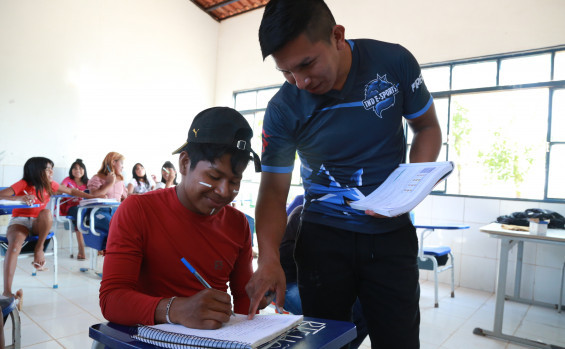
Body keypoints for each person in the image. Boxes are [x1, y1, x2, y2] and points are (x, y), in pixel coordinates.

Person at [246, 1, 442, 347]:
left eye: (307, 64)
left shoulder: (393, 63)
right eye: (287, 72)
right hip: (323, 241)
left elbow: (426, 128)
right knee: (327, 341)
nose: (301, 82)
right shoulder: (283, 109)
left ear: (337, 36)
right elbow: (273, 194)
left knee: (399, 340)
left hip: (390, 234)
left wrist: (411, 184)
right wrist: (270, 257)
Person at [99, 107, 265, 329]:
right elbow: (112, 300)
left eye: (235, 182)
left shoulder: (238, 224)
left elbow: (245, 300)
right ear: (185, 163)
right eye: (214, 176)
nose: (224, 191)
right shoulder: (137, 210)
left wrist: (259, 300)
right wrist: (176, 310)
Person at [0, 157, 100, 307]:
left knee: (46, 213)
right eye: (48, 169)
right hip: (20, 221)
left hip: (39, 223)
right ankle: (7, 292)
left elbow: (72, 191)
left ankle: (39, 249)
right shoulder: (23, 184)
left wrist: (93, 197)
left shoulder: (50, 185)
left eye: (51, 168)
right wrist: (20, 197)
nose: (52, 171)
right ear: (36, 170)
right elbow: (1, 195)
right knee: (14, 245)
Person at [280, 205, 368, 348]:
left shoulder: (343, 219)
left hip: (323, 280)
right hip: (289, 283)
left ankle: (340, 345)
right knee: (324, 317)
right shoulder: (303, 214)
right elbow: (284, 257)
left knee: (364, 311)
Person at [87, 152, 128, 243]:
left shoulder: (121, 180)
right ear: (113, 162)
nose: (123, 166)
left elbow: (125, 198)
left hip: (117, 212)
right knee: (115, 227)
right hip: (99, 213)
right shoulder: (97, 178)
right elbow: (92, 195)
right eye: (121, 163)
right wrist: (109, 183)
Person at [60, 158, 89, 260]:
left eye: (80, 168)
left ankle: (98, 246)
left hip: (86, 207)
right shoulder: (67, 180)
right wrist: (71, 191)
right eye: (75, 168)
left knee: (96, 214)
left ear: (84, 170)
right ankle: (81, 248)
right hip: (72, 208)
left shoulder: (88, 182)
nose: (77, 170)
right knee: (79, 214)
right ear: (71, 171)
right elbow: (60, 188)